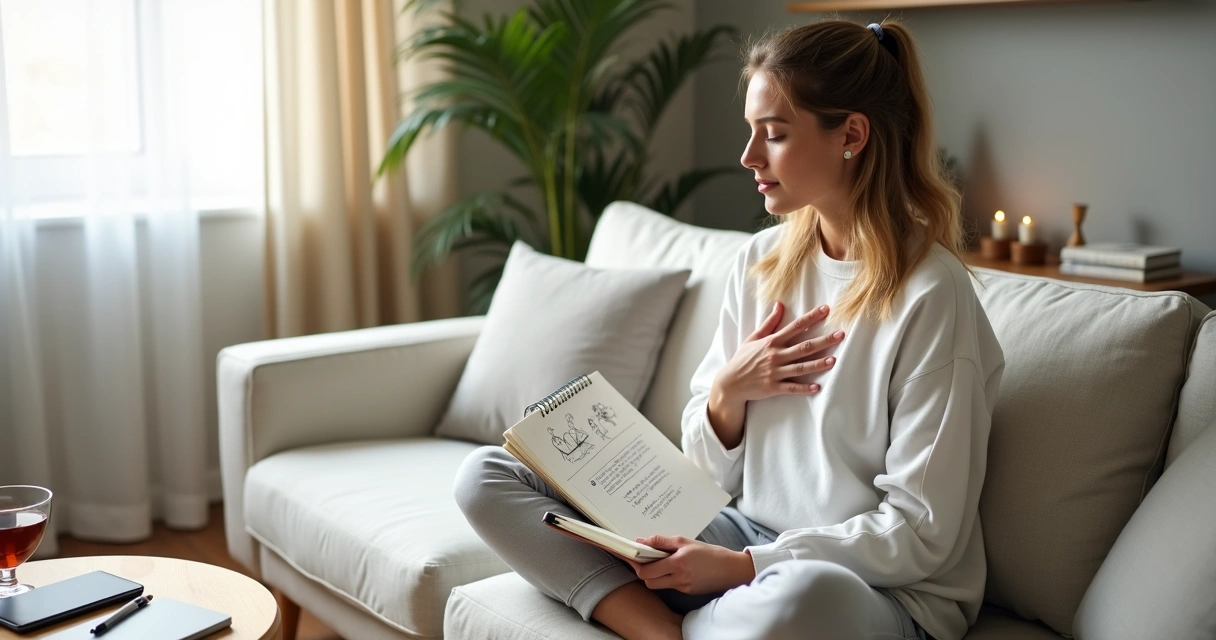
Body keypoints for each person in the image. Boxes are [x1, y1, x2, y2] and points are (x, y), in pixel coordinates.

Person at [453, 18, 1004, 640]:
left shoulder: (931, 294)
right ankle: (660, 630)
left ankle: (694, 621)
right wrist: (726, 395)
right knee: (486, 476)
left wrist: (744, 568)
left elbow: (922, 531)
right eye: (751, 131)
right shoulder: (762, 262)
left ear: (851, 135)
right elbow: (705, 479)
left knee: (802, 598)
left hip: (872, 587)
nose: (748, 157)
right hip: (739, 537)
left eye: (775, 134)